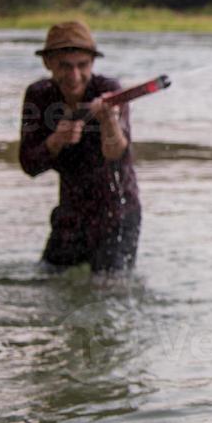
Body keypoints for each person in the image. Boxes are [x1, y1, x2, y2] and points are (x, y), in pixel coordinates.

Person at [19, 21, 142, 274]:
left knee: (108, 292)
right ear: (48, 63)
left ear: (92, 64)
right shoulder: (39, 96)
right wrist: (55, 141)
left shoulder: (109, 91)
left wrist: (108, 121)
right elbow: (29, 164)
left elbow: (117, 154)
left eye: (82, 66)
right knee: (47, 281)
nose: (74, 76)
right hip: (70, 214)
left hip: (116, 213)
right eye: (65, 66)